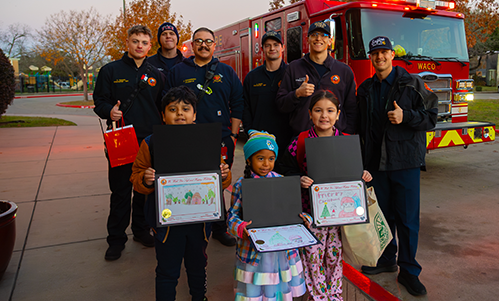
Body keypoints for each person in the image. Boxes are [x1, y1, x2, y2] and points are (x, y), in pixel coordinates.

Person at [130, 86, 232, 301]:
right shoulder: (151, 143)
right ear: (163, 115)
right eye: (172, 109)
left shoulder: (207, 140)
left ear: (194, 114)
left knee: (198, 266)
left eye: (185, 109)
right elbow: (136, 177)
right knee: (167, 271)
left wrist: (223, 175)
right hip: (166, 224)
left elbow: (220, 179)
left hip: (200, 222)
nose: (179, 114)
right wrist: (145, 178)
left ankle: (199, 296)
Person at [356, 36, 438, 296]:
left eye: (384, 52)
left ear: (393, 55)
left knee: (407, 220)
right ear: (371, 57)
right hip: (376, 165)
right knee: (382, 216)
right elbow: (360, 127)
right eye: (375, 53)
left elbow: (432, 117)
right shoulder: (366, 88)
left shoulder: (411, 84)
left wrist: (406, 116)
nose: (379, 57)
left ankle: (410, 271)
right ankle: (386, 258)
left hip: (405, 162)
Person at [281, 90, 373, 300]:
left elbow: (358, 171)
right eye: (318, 110)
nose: (324, 116)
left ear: (338, 114)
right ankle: (318, 295)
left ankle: (335, 294)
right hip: (311, 215)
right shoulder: (301, 141)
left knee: (334, 256)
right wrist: (299, 179)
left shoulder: (349, 142)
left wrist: (364, 175)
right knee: (312, 257)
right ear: (310, 114)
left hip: (341, 216)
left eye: (330, 110)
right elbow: (285, 169)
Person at [164, 27, 244, 247]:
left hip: (220, 138)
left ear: (214, 45)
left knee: (218, 182)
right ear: (192, 44)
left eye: (208, 41)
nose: (203, 45)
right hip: (185, 139)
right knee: (189, 182)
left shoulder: (226, 72)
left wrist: (234, 135)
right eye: (199, 41)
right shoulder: (178, 72)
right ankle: (191, 224)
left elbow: (238, 104)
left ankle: (219, 227)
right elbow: (166, 102)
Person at [94, 24, 164, 261]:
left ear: (149, 46)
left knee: (144, 190)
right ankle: (116, 239)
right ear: (127, 43)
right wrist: (108, 112)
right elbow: (99, 101)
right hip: (121, 139)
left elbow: (163, 106)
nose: (139, 46)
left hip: (149, 141)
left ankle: (141, 230)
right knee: (121, 191)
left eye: (144, 42)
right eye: (135, 41)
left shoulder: (157, 74)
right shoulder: (110, 71)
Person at [227, 130, 307, 300]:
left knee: (276, 288)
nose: (266, 164)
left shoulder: (280, 180)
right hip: (254, 251)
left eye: (271, 159)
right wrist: (241, 227)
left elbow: (292, 212)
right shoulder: (242, 185)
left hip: (280, 251)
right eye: (260, 158)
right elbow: (232, 217)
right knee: (255, 288)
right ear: (249, 159)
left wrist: (304, 219)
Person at [276, 21, 357, 136]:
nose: (318, 38)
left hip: (335, 139)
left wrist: (346, 135)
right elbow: (281, 105)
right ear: (307, 39)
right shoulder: (294, 68)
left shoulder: (344, 71)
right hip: (302, 137)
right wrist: (297, 94)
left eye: (323, 35)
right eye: (314, 35)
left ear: (330, 41)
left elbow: (351, 109)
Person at [242, 30, 291, 173]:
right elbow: (246, 107)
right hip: (260, 142)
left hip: (287, 140)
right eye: (268, 45)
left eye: (276, 44)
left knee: (286, 184)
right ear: (262, 49)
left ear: (283, 47)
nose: (272, 48)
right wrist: (250, 131)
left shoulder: (292, 73)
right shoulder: (252, 77)